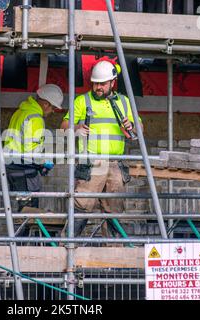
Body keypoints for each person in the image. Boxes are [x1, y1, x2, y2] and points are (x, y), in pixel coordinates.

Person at [60, 60, 142, 237]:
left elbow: (140, 130)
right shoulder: (82, 101)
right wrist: (76, 128)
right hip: (91, 163)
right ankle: (66, 248)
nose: (98, 87)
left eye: (102, 84)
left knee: (114, 210)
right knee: (81, 207)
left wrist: (132, 125)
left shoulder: (124, 102)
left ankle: (112, 252)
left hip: (115, 164)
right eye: (95, 83)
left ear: (113, 82)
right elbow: (64, 125)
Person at [4, 84, 64, 213]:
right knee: (29, 209)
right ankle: (22, 234)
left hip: (12, 166)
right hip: (24, 169)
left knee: (22, 207)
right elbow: (32, 152)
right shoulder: (35, 118)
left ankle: (17, 232)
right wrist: (45, 163)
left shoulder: (21, 112)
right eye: (53, 107)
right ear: (46, 104)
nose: (53, 111)